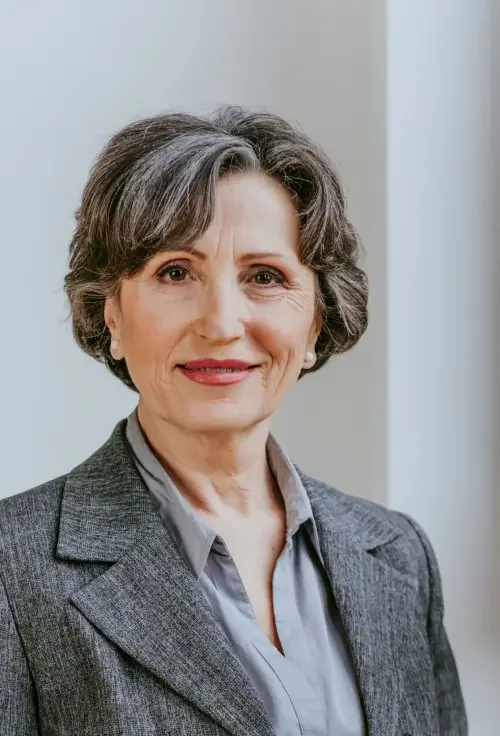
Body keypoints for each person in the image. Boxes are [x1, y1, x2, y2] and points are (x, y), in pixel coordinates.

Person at [0, 106, 467, 736]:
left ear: (316, 324)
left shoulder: (399, 557)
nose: (221, 323)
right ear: (110, 312)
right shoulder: (14, 569)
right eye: (174, 273)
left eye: (265, 277)